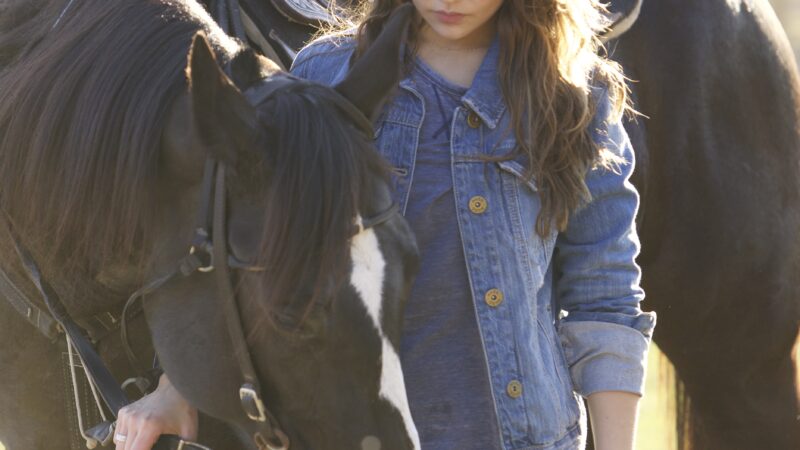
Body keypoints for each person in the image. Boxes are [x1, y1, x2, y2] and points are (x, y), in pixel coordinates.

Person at [115, 0, 656, 448]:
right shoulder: (326, 77)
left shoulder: (575, 99)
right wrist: (176, 388)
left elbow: (604, 295)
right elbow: (250, 254)